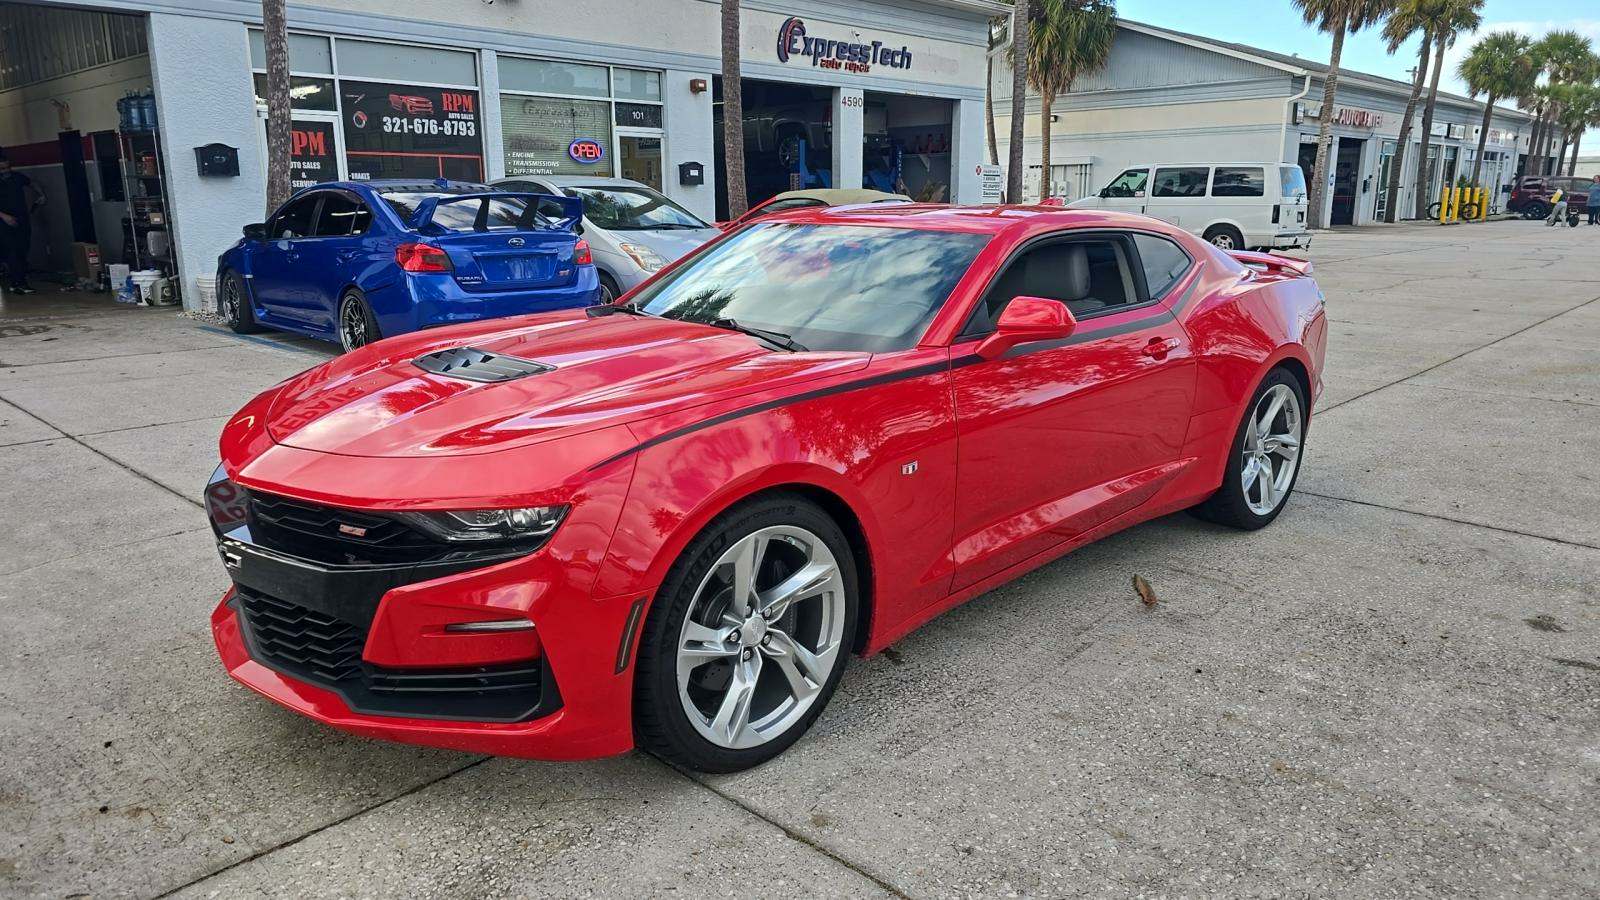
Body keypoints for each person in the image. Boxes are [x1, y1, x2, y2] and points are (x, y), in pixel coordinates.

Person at [0, 156, 44, 294]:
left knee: (23, 249)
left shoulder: (17, 177)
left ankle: (18, 281)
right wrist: (4, 216)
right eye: (2, 168)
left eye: (8, 167)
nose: (6, 170)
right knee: (12, 250)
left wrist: (41, 194)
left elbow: (31, 183)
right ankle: (18, 282)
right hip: (4, 221)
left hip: (21, 219)